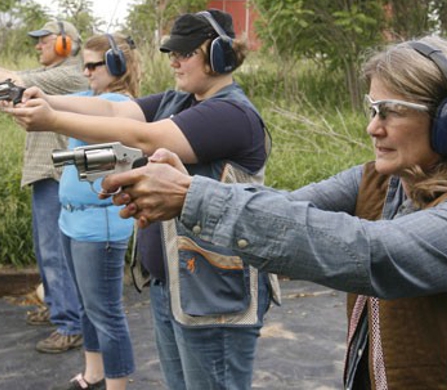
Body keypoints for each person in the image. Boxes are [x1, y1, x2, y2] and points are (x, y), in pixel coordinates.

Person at [98, 34, 447, 389]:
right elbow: (287, 208)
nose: (373, 127)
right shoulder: (379, 180)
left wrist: (193, 196)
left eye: (391, 111)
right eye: (373, 109)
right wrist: (189, 189)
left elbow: (371, 252)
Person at [6, 9, 280, 390]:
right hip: (175, 286)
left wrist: (53, 120)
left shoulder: (231, 114)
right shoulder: (181, 100)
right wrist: (45, 100)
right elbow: (112, 107)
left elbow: (145, 137)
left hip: (214, 295)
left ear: (219, 56)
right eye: (171, 53)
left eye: (185, 53)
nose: (174, 61)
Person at [0, 20, 87, 353]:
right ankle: (56, 307)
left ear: (66, 44)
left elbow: (14, 81)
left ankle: (70, 325)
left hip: (57, 175)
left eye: (44, 41)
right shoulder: (51, 80)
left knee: (56, 254)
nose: (37, 46)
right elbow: (14, 98)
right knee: (45, 251)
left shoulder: (71, 75)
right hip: (44, 174)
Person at [53, 33, 140, 390]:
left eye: (94, 65)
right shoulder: (90, 99)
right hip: (73, 219)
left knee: (106, 314)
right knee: (88, 307)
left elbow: (65, 113)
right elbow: (54, 102)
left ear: (118, 66)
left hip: (98, 225)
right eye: (83, 64)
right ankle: (93, 374)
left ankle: (117, 386)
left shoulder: (118, 106)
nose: (86, 72)